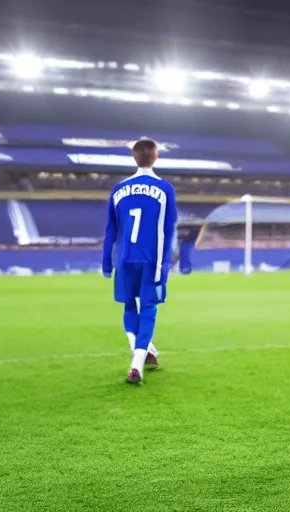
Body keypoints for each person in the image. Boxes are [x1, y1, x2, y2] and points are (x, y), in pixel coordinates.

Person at [102, 138, 178, 384]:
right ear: (155, 158)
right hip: (152, 260)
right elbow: (169, 229)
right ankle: (137, 363)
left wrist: (106, 261)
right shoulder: (165, 189)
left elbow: (110, 230)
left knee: (128, 306)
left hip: (125, 259)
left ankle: (146, 351)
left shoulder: (118, 190)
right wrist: (166, 263)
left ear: (134, 158)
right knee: (148, 308)